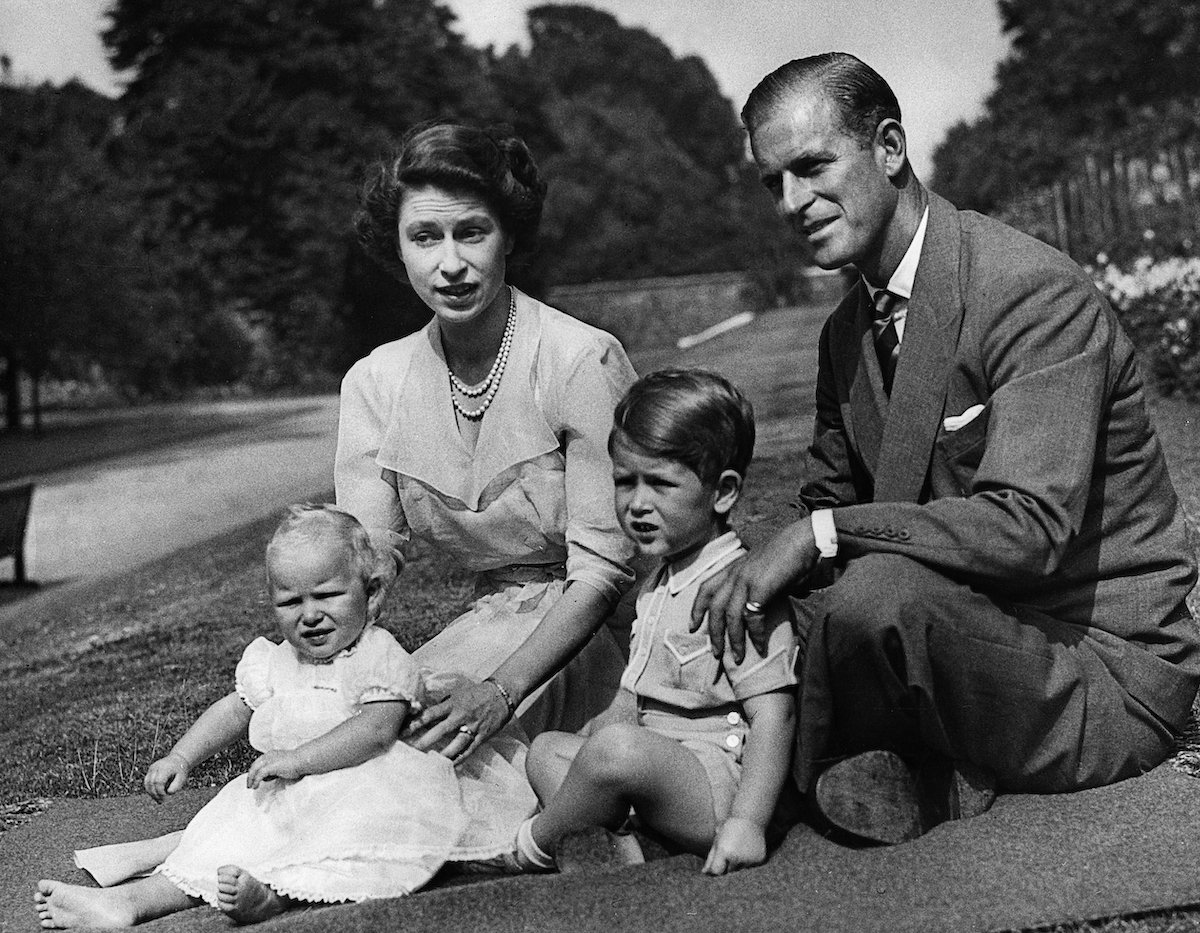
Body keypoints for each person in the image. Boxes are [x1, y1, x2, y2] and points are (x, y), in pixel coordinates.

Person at [693, 52, 1200, 845]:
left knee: (871, 599)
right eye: (772, 182)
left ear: (889, 148)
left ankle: (838, 768)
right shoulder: (845, 335)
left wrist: (823, 537)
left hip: (1091, 662)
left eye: (812, 167)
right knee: (715, 610)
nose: (792, 202)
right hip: (953, 623)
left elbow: (1028, 529)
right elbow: (827, 512)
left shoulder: (1030, 292)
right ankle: (763, 765)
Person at [35, 505, 533, 928]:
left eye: (327, 595)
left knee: (345, 841)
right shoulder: (274, 662)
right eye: (290, 601)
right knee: (219, 835)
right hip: (288, 789)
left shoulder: (378, 656)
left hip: (367, 782)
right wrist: (182, 755)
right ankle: (127, 904)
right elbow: (234, 709)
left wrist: (300, 759)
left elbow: (376, 729)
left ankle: (277, 897)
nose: (309, 614)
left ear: (372, 593)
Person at [341, 121, 638, 760]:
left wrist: (500, 692)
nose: (449, 264)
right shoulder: (375, 382)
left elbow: (603, 572)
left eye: (471, 232)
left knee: (436, 762)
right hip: (489, 627)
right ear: (398, 249)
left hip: (606, 638)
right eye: (425, 237)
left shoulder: (579, 360)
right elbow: (358, 568)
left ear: (509, 236)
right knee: (353, 744)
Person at [505, 370, 797, 875]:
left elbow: (776, 715)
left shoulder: (736, 589)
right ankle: (629, 846)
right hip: (657, 771)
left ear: (723, 492)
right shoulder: (660, 582)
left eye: (660, 484)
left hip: (714, 787)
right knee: (549, 751)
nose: (637, 504)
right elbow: (635, 696)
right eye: (624, 482)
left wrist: (747, 823)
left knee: (615, 753)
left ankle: (529, 846)